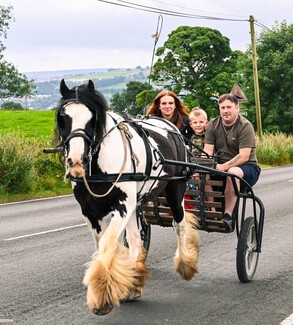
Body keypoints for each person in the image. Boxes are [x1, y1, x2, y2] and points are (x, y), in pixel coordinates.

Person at [203, 93, 261, 232]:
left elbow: (244, 156)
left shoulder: (245, 126)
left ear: (237, 108)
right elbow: (208, 152)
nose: (225, 110)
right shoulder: (213, 124)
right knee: (202, 173)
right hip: (220, 167)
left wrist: (224, 166)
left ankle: (228, 215)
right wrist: (202, 167)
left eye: (229, 107)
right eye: (222, 107)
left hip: (247, 167)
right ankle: (213, 213)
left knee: (232, 173)